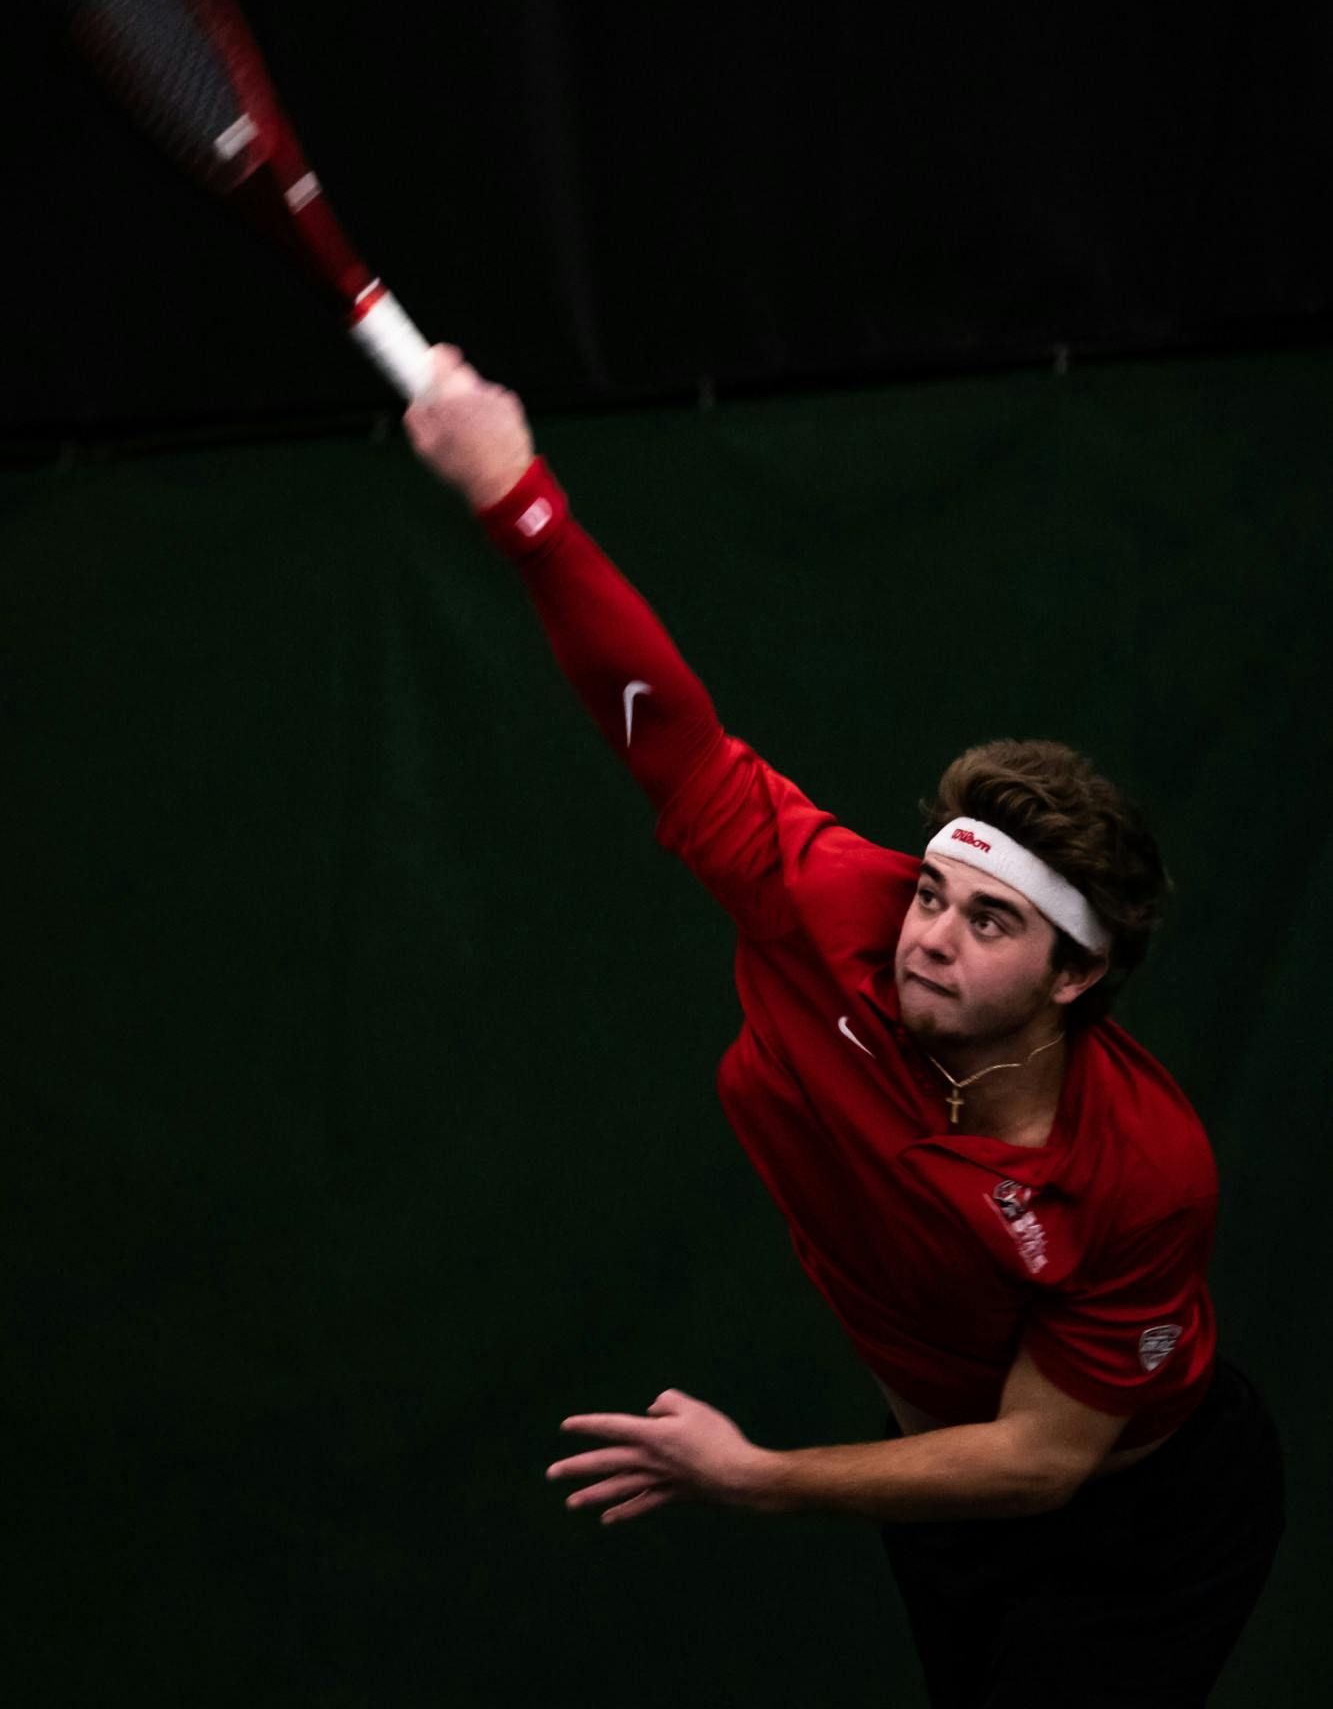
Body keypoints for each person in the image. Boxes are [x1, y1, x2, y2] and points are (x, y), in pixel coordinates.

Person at [404, 345, 1286, 1707]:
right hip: (935, 1506)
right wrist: (517, 495)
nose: (929, 932)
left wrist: (756, 1480)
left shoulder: (1138, 1170)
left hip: (1142, 1526)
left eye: (987, 923)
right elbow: (670, 732)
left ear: (1071, 981)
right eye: (934, 890)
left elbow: (1040, 1460)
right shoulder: (827, 907)